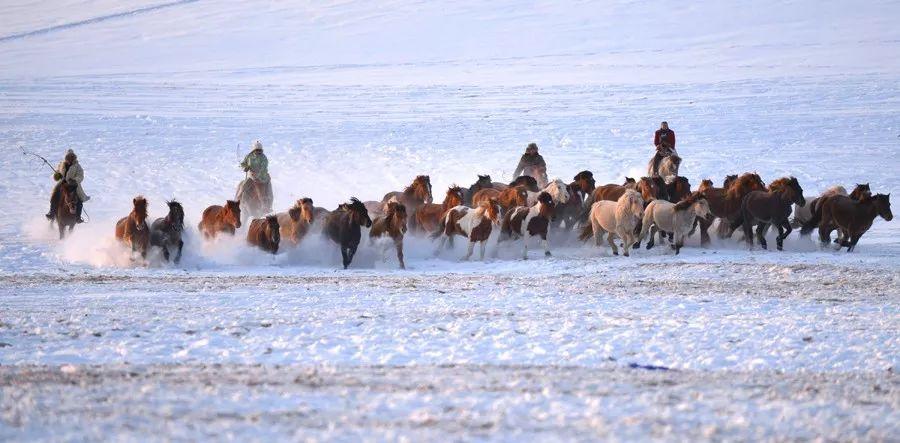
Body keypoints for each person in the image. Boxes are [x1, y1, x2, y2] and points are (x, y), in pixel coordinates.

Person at [45, 149, 89, 223]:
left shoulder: (77, 166)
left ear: (74, 157)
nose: (70, 158)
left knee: (79, 201)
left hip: (73, 185)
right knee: (54, 197)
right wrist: (57, 175)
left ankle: (78, 217)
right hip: (62, 184)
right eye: (68, 157)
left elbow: (81, 176)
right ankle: (51, 213)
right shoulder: (61, 164)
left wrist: (74, 180)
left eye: (72, 157)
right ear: (66, 157)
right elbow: (57, 173)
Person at [235, 140, 274, 214]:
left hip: (263, 178)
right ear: (253, 150)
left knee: (270, 193)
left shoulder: (264, 158)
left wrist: (257, 175)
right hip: (251, 177)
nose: (258, 151)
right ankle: (237, 201)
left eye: (260, 150)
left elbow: (263, 168)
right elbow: (242, 164)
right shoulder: (248, 156)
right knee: (243, 186)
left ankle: (268, 207)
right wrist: (245, 167)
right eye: (257, 150)